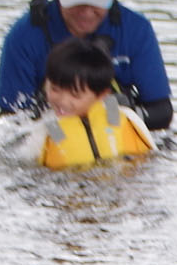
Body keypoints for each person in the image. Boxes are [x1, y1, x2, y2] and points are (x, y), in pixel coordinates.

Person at [0, 0, 173, 131]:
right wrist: (56, 129)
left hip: (112, 121)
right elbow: (11, 118)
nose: (87, 12)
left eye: (96, 1)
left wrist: (109, 118)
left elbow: (162, 111)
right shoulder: (23, 36)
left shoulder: (137, 30)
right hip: (54, 125)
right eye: (78, 1)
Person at [23, 38, 155, 169]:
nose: (62, 101)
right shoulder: (46, 130)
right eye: (54, 89)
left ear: (102, 95)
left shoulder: (125, 118)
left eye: (75, 95)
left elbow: (150, 160)